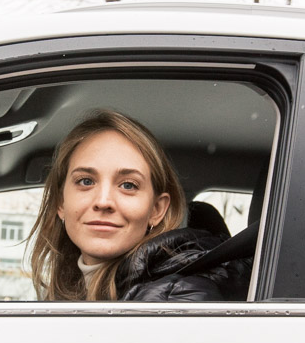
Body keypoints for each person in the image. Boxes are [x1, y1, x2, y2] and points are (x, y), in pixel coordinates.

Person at [29, 109, 252, 301]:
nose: (103, 201)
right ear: (60, 203)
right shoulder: (72, 291)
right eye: (85, 181)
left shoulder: (176, 297)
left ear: (157, 209)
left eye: (128, 185)